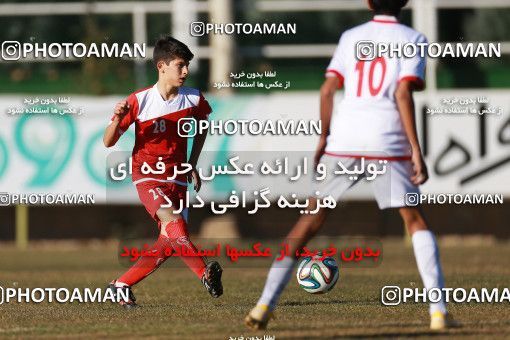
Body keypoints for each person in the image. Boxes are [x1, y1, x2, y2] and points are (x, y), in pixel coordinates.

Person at [245, 0, 456, 330]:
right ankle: (438, 312)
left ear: (368, 3)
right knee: (414, 219)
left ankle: (264, 304)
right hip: (387, 139)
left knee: (310, 221)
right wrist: (416, 149)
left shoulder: (350, 37)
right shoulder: (413, 38)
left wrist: (323, 137)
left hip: (345, 139)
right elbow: (402, 93)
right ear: (404, 3)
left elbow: (328, 89)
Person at [103, 35, 223, 309]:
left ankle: (120, 286)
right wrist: (119, 118)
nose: (186, 71)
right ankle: (204, 273)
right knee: (173, 222)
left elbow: (202, 126)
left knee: (169, 242)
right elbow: (108, 141)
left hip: (177, 177)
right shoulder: (139, 101)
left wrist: (192, 162)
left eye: (187, 66)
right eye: (180, 65)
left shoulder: (193, 98)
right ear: (162, 66)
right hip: (147, 174)